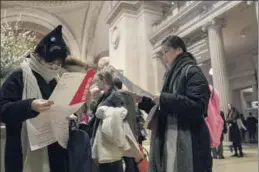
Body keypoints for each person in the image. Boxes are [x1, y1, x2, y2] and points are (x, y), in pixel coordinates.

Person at [123, 35, 212, 172]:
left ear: (179, 51)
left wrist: (164, 99)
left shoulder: (192, 71)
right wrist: (141, 100)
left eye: (166, 51)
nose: (163, 56)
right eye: (162, 53)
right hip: (169, 139)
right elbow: (164, 109)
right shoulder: (168, 75)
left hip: (191, 141)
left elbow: (198, 107)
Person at [0, 25, 70, 172]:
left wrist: (68, 114)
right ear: (38, 57)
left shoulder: (55, 81)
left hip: (54, 150)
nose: (54, 68)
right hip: (23, 151)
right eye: (50, 63)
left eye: (58, 64)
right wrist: (29, 106)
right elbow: (3, 109)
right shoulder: (19, 77)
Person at [91, 67, 141, 172]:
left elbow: (122, 113)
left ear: (103, 80)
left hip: (111, 142)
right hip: (106, 141)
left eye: (97, 81)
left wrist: (105, 112)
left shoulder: (115, 95)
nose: (96, 84)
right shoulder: (105, 94)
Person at [113, 78, 140, 172]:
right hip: (131, 131)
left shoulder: (117, 96)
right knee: (130, 159)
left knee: (124, 160)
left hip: (123, 132)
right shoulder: (129, 97)